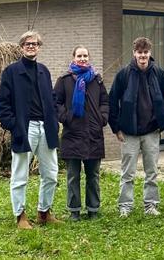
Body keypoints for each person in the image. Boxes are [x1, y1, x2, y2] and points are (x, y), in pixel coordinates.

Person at [0, 31, 60, 229]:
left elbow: (52, 100)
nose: (31, 46)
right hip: (25, 128)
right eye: (27, 43)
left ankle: (44, 212)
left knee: (51, 173)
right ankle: (20, 215)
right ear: (21, 47)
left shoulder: (44, 71)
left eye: (35, 43)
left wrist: (54, 120)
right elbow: (2, 106)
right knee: (20, 175)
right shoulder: (11, 72)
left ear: (39, 47)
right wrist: (15, 126)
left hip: (46, 128)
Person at [108, 36, 164, 217]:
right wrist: (116, 128)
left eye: (145, 52)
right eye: (139, 52)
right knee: (127, 172)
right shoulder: (124, 74)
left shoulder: (158, 73)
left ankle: (151, 205)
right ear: (134, 53)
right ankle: (125, 206)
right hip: (129, 132)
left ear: (150, 53)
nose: (142, 56)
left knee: (151, 171)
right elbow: (112, 101)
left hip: (151, 131)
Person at [54, 46, 109, 221]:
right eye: (79, 56)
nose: (83, 59)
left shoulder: (97, 80)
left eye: (85, 56)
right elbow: (56, 102)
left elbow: (105, 102)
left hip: (93, 134)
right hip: (73, 134)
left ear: (89, 58)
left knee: (93, 176)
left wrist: (102, 117)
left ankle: (93, 209)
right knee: (73, 176)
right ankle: (74, 210)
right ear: (73, 58)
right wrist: (66, 117)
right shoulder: (64, 80)